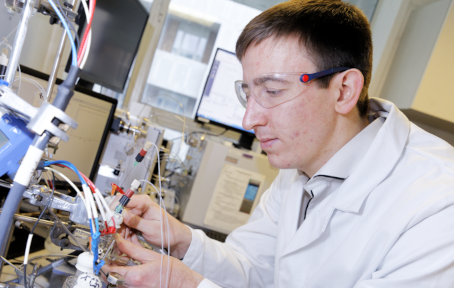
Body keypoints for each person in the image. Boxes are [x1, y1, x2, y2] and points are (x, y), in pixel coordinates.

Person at [104, 0, 454, 287]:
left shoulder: (438, 201)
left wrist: (185, 285)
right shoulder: (303, 162)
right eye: (248, 93)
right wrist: (181, 239)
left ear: (344, 90)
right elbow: (253, 269)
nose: (249, 120)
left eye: (272, 91)